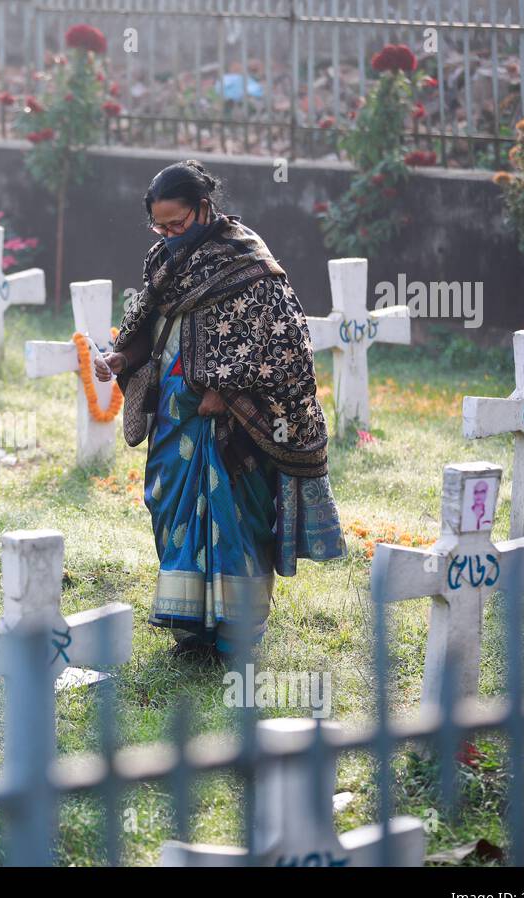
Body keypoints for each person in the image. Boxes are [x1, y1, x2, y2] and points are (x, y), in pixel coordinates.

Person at [94, 160, 346, 659]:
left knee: (235, 519)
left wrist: (226, 392)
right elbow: (152, 325)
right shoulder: (163, 260)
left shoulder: (247, 260)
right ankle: (192, 631)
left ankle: (237, 633)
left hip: (232, 426)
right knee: (171, 508)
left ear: (204, 208)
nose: (167, 234)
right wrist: (122, 355)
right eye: (158, 226)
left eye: (177, 224)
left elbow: (283, 345)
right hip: (174, 415)